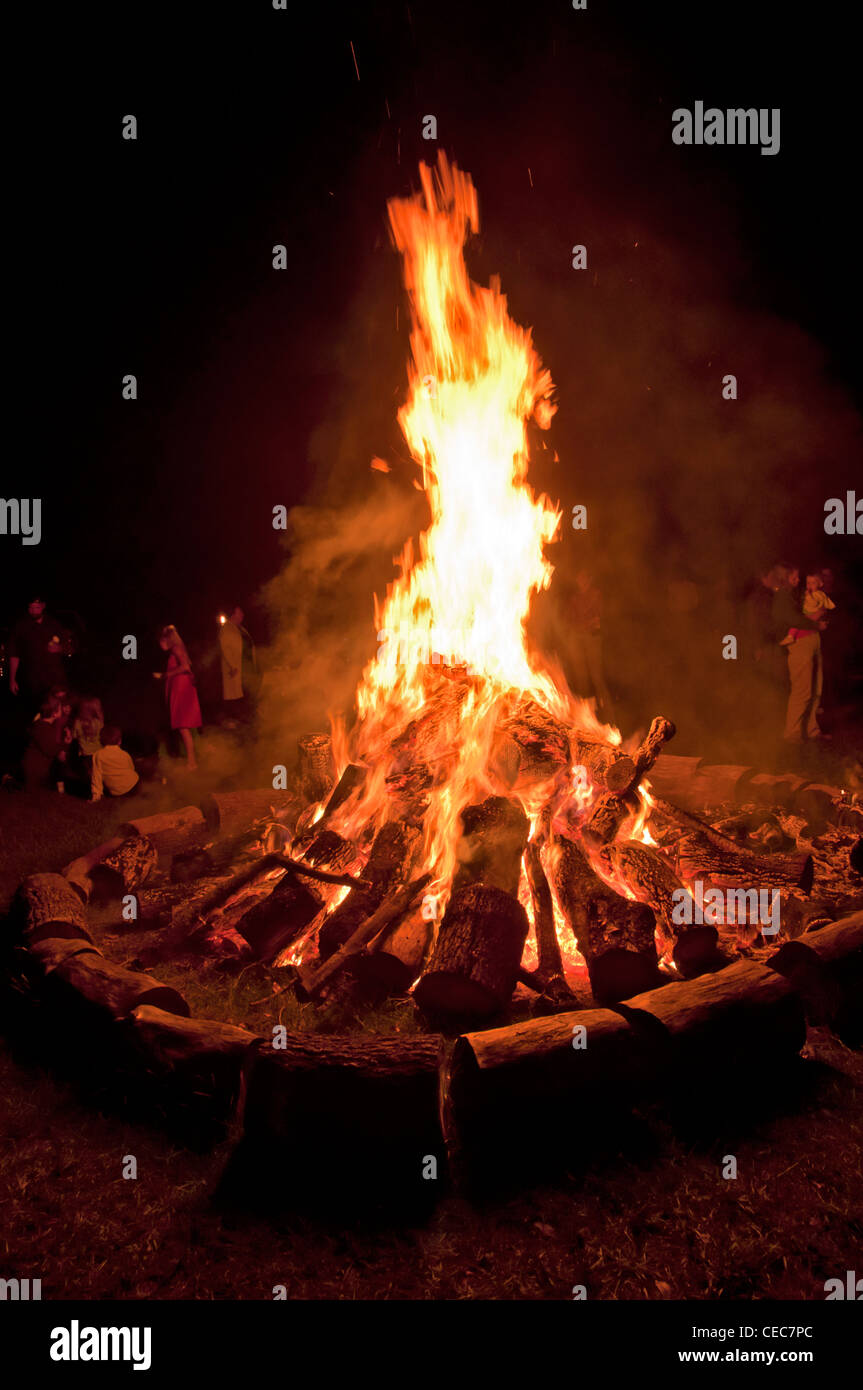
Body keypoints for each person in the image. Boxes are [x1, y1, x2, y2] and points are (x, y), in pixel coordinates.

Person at [769, 563, 827, 742]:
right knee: (802, 690)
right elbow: (792, 619)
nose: (798, 579)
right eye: (794, 576)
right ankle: (792, 733)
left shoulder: (795, 595)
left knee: (815, 689)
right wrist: (815, 623)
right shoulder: (783, 596)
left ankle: (811, 729)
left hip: (811, 640)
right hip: (800, 643)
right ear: (785, 578)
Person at [8, 597, 69, 715]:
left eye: (36, 607)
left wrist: (59, 648)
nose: (33, 611)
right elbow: (14, 653)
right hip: (34, 680)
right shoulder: (21, 626)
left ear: (43, 606)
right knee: (39, 711)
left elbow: (69, 646)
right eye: (30, 608)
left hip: (55, 677)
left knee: (59, 710)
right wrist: (12, 679)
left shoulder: (53, 624)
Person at [568, 569, 614, 722]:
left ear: (589, 580)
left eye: (585, 579)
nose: (582, 582)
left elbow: (598, 616)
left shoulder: (595, 595)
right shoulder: (575, 599)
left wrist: (591, 624)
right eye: (580, 579)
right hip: (579, 638)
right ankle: (586, 709)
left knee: (596, 675)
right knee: (581, 674)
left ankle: (606, 710)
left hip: (592, 638)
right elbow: (571, 618)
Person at [155, 624, 202, 771]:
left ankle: (192, 762)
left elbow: (186, 667)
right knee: (182, 725)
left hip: (182, 687)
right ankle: (191, 760)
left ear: (165, 639)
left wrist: (165, 675)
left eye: (160, 641)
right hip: (181, 686)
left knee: (183, 725)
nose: (159, 645)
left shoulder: (176, 648)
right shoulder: (177, 648)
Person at [21, 695, 70, 790]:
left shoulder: (41, 725)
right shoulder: (43, 728)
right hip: (35, 770)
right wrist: (65, 745)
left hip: (35, 768)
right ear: (54, 713)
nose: (63, 710)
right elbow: (50, 750)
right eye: (60, 708)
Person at [90, 725, 140, 801]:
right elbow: (132, 768)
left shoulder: (98, 755)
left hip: (117, 792)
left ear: (101, 740)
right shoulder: (124, 754)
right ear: (119, 741)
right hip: (134, 786)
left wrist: (96, 795)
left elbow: (96, 776)